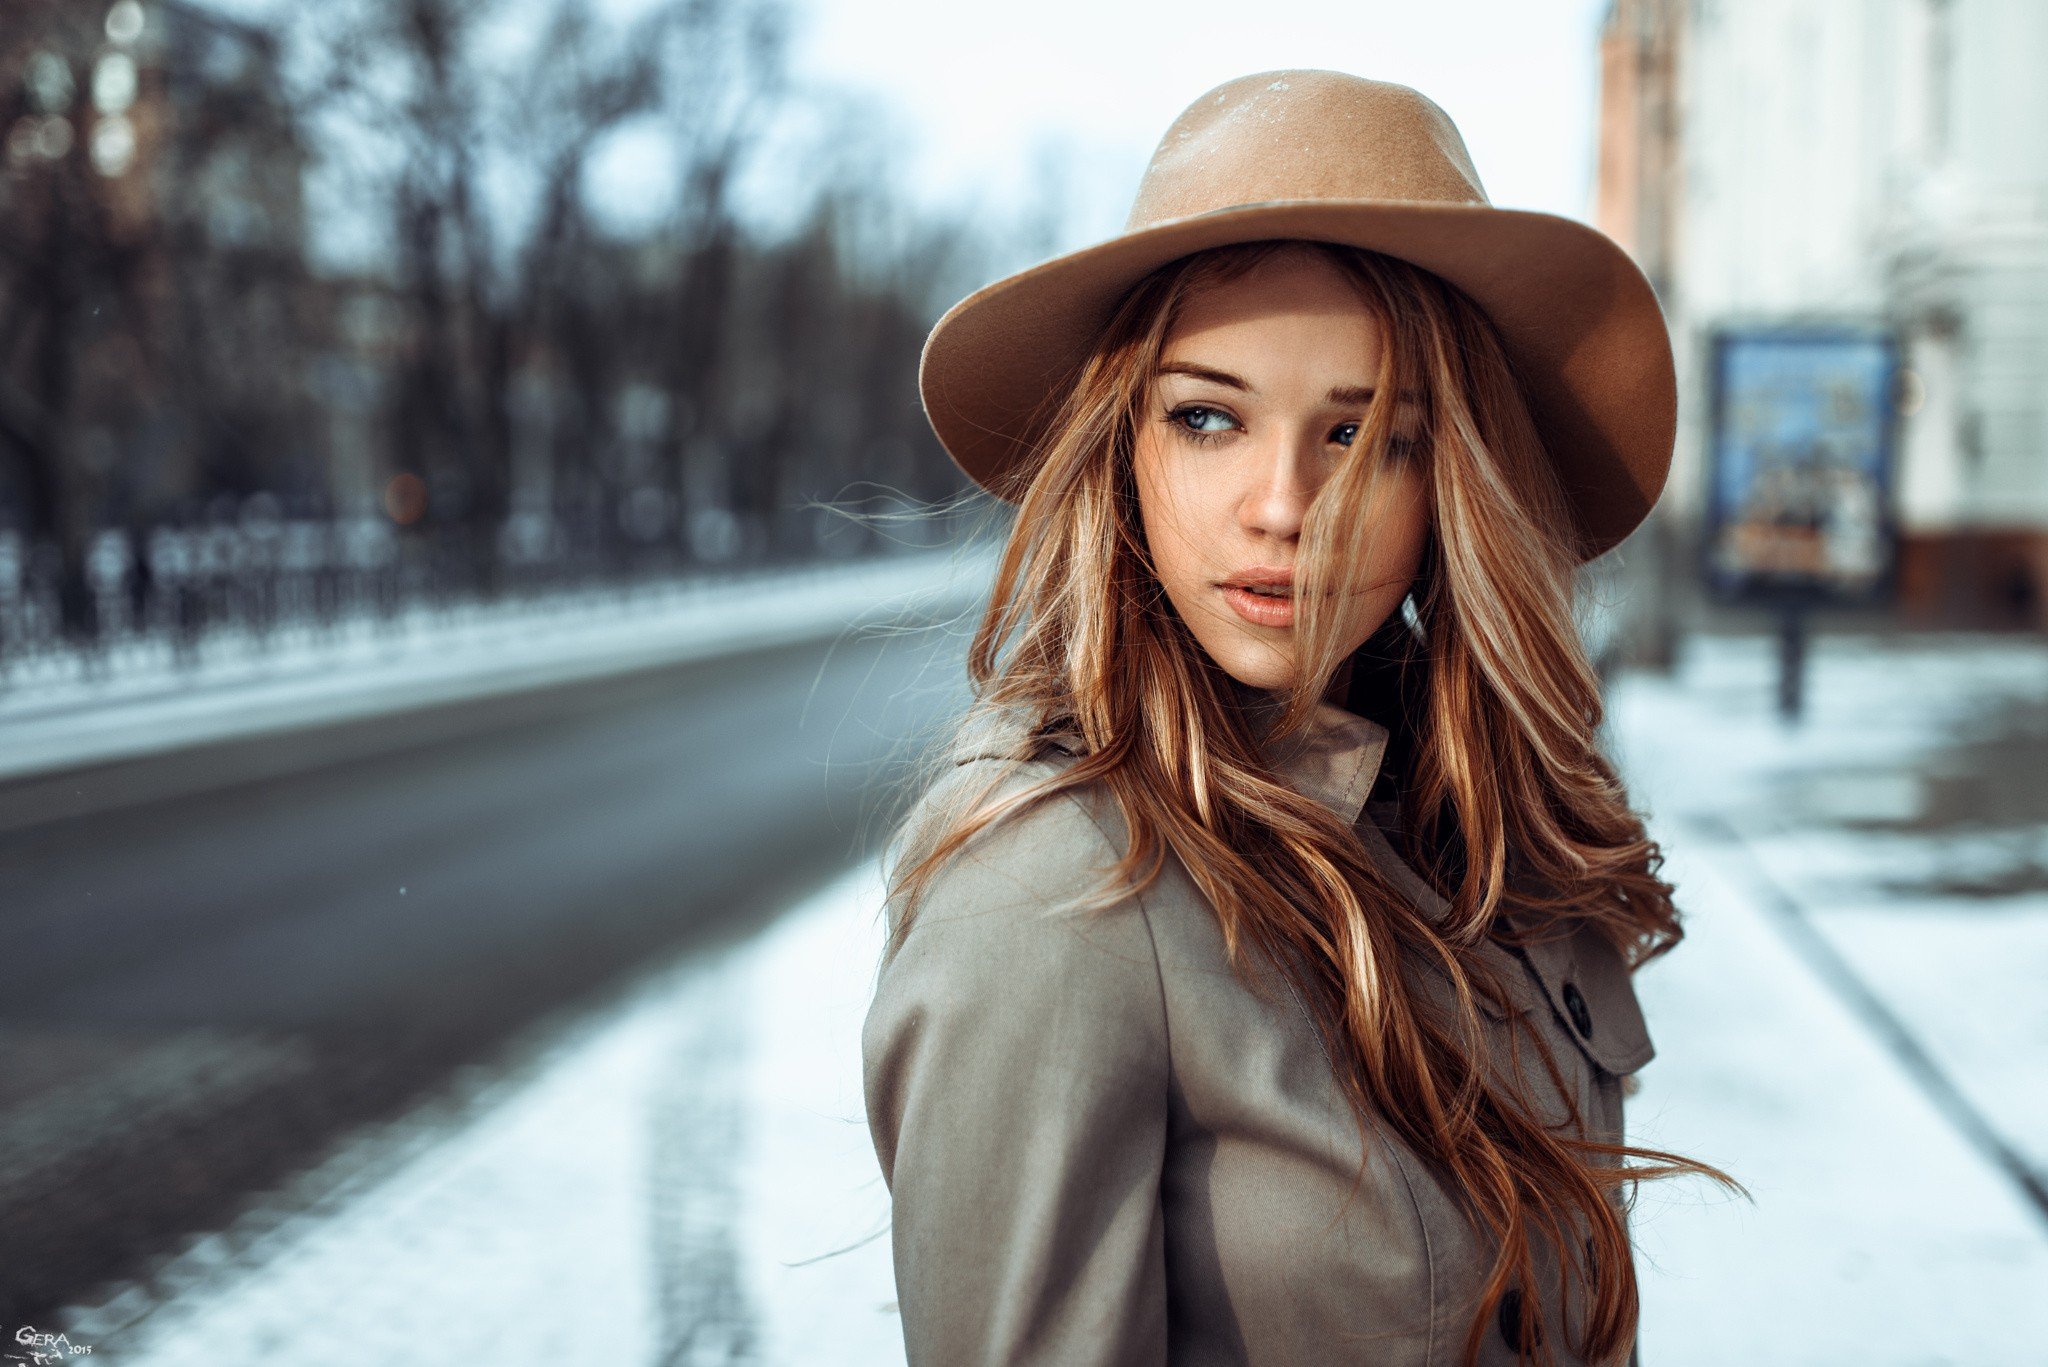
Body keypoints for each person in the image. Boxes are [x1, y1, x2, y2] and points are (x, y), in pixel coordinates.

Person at [860, 69, 1738, 1367]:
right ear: (1123, 450)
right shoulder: (1058, 888)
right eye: (1209, 417)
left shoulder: (1473, 822)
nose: (1284, 505)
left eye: (1369, 436)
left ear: (1456, 481)